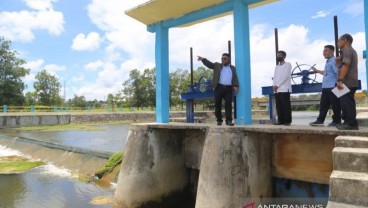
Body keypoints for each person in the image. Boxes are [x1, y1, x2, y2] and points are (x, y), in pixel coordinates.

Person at [197, 53, 239, 126]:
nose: (223, 60)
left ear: (229, 59)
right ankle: (219, 120)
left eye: (225, 58)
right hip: (218, 87)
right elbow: (210, 65)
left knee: (228, 105)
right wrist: (203, 59)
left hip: (229, 88)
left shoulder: (232, 68)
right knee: (217, 104)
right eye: (222, 58)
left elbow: (235, 77)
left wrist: (236, 85)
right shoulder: (217, 65)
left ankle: (229, 121)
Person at [309, 45, 341, 127]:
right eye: (323, 51)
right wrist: (317, 71)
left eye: (325, 51)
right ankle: (320, 120)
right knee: (323, 105)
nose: (323, 53)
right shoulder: (328, 62)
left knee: (335, 105)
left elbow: (337, 72)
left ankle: (336, 121)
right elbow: (326, 73)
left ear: (331, 51)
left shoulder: (334, 61)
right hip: (326, 87)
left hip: (332, 86)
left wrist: (339, 83)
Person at [335, 33, 359, 130]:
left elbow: (346, 65)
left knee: (347, 102)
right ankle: (347, 122)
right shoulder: (348, 51)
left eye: (339, 40)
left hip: (347, 81)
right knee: (344, 102)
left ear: (344, 40)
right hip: (349, 81)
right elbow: (341, 64)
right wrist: (338, 61)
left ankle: (351, 124)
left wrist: (340, 80)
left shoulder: (347, 50)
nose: (338, 43)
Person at [272, 51, 292, 125]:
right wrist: (273, 86)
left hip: (284, 89)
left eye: (279, 55)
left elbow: (285, 76)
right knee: (279, 106)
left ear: (284, 56)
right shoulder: (277, 67)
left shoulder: (288, 64)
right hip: (277, 90)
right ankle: (281, 121)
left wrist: (277, 85)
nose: (278, 57)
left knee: (285, 106)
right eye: (277, 55)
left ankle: (287, 121)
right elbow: (275, 77)